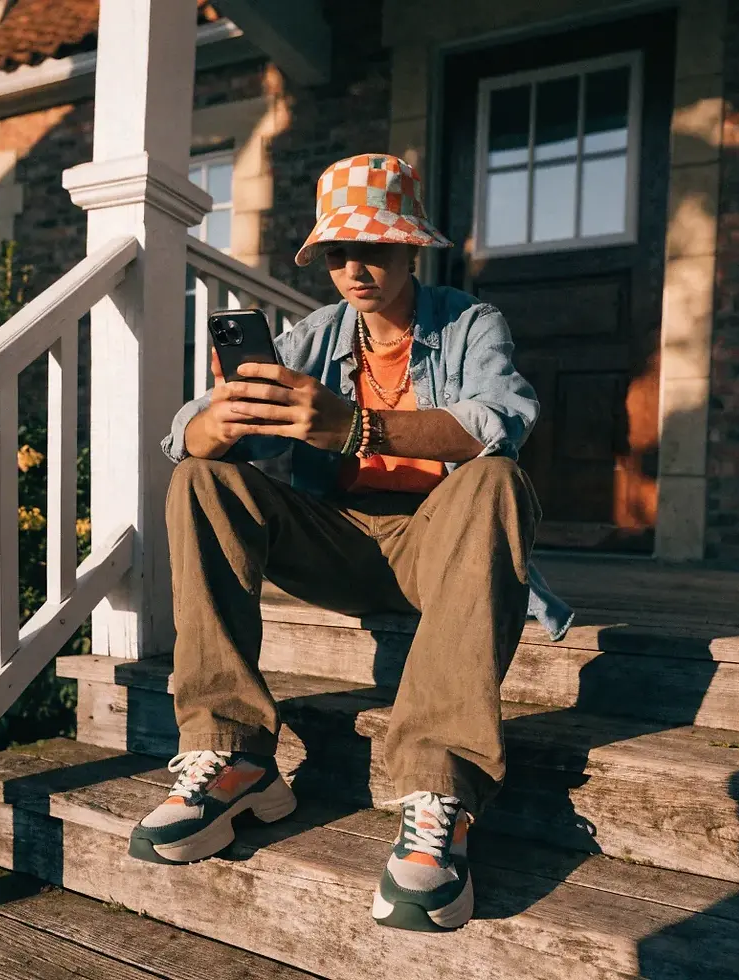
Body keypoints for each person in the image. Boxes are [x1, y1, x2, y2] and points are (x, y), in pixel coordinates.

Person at [129, 153, 573, 932]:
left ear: (412, 249)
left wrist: (360, 428)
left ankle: (438, 791)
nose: (354, 267)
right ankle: (233, 753)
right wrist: (218, 421)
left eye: (372, 247)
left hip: (442, 546)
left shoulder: (470, 324)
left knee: (497, 478)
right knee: (201, 477)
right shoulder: (312, 337)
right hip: (338, 546)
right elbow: (182, 433)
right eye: (338, 252)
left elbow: (500, 417)